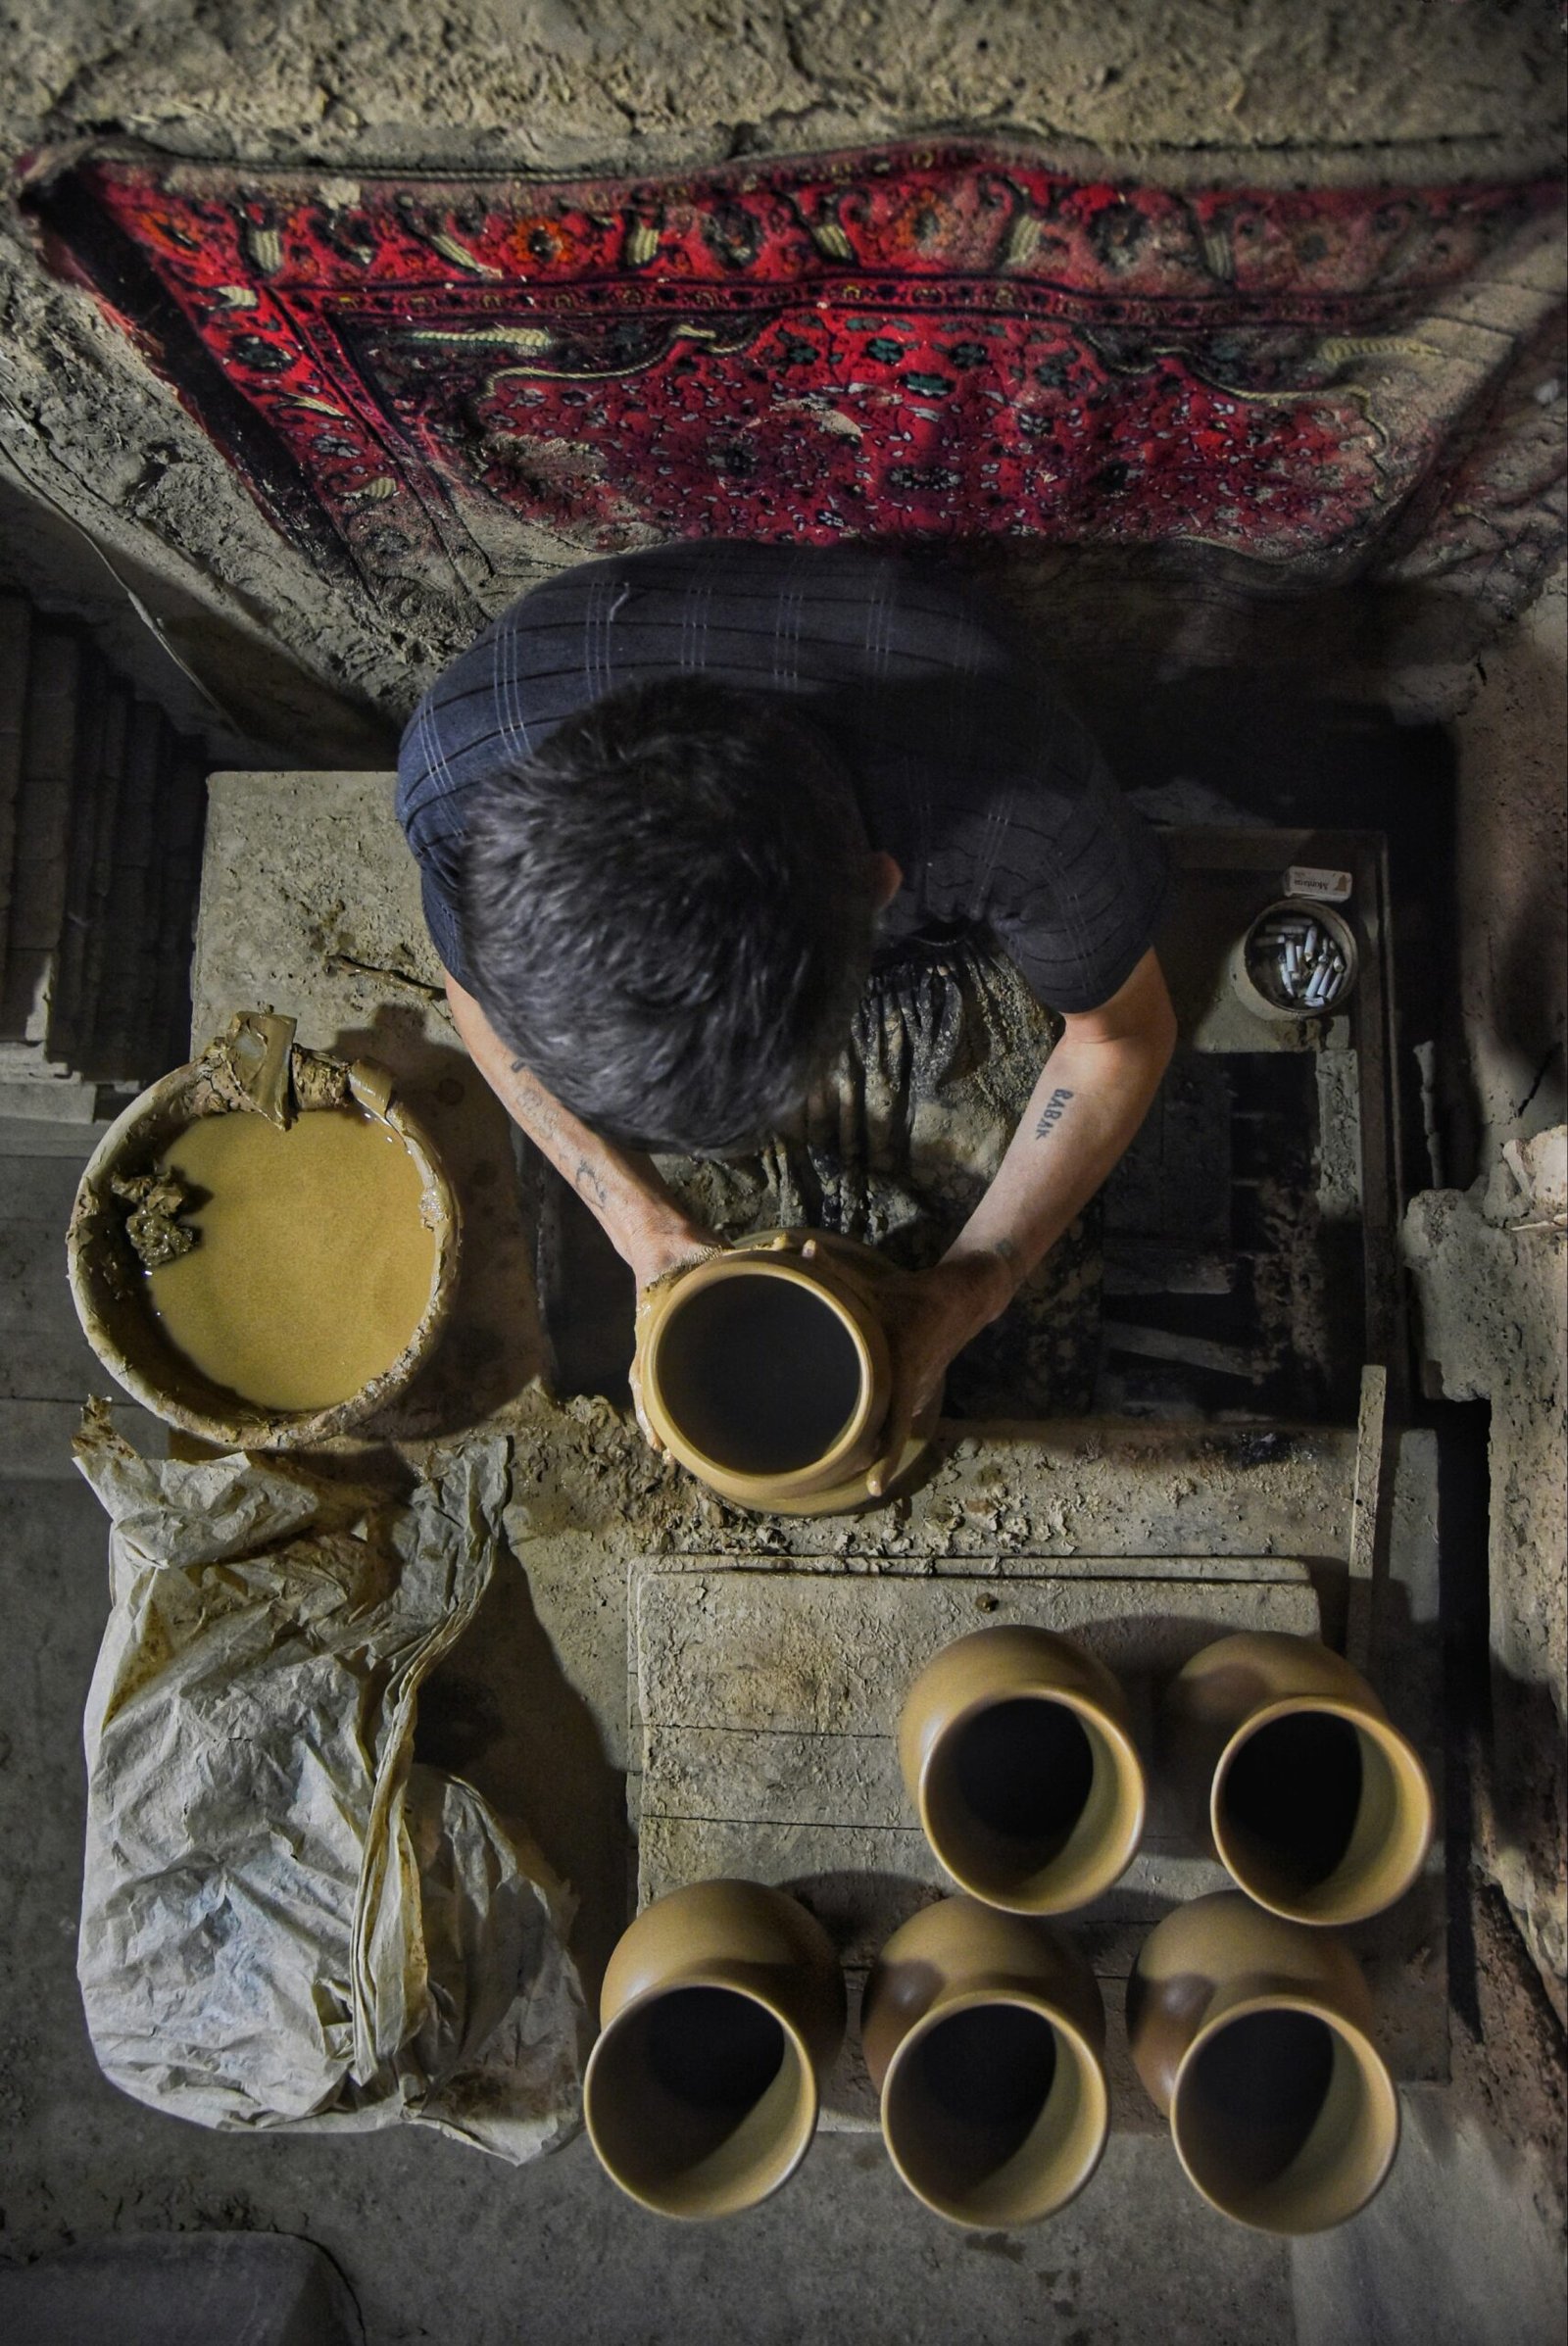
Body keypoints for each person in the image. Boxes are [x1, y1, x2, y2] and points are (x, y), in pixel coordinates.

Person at [397, 541, 1177, 1476]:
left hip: (933, 782)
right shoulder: (462, 774)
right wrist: (642, 1227)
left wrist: (978, 1287)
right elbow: (474, 990)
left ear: (883, 886)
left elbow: (1119, 1038)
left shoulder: (1021, 799)